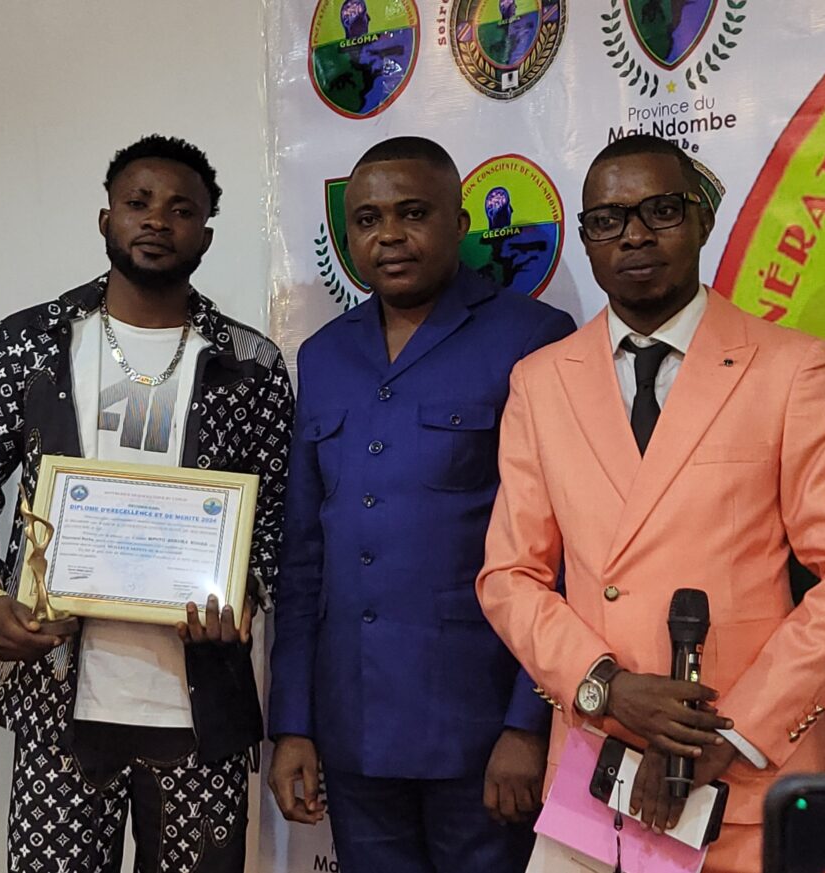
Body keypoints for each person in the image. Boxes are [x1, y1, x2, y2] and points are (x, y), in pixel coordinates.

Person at [475, 134, 825, 872]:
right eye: (608, 220)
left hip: (744, 775)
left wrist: (733, 732)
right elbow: (510, 576)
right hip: (598, 775)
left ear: (702, 219)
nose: (634, 234)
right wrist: (605, 687)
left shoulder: (791, 368)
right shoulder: (540, 382)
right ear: (587, 239)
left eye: (660, 210)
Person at [0, 134, 294, 872]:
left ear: (206, 235)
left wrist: (247, 590)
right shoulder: (30, 343)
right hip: (55, 699)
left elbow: (280, 515)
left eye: (181, 209)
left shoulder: (251, 363)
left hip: (202, 705)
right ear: (107, 220)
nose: (157, 220)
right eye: (138, 203)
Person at [267, 136, 575, 873]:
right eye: (368, 219)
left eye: (413, 213)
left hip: (478, 727)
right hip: (353, 725)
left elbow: (563, 549)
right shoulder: (323, 355)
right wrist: (294, 722)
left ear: (459, 222)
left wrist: (527, 723)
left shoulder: (532, 338)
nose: (390, 236)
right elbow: (304, 555)